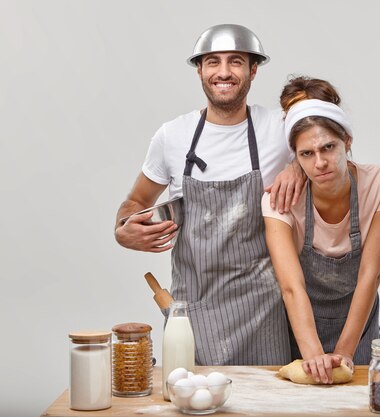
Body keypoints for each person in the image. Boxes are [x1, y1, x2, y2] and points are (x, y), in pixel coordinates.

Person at [114, 24, 304, 366]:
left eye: (235, 61)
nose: (224, 72)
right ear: (200, 70)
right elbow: (135, 202)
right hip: (194, 313)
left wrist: (298, 167)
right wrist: (123, 230)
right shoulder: (172, 136)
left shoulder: (279, 126)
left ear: (253, 70)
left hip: (264, 310)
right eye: (213, 62)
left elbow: (331, 154)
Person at [262, 76, 380, 383]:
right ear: (295, 156)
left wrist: (344, 353)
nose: (320, 163)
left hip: (359, 329)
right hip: (297, 331)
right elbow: (291, 287)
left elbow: (370, 275)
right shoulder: (278, 201)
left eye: (329, 147)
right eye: (307, 154)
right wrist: (313, 354)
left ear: (347, 142)